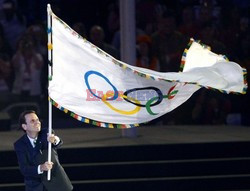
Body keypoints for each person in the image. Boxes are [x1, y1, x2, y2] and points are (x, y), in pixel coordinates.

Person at [14, 110, 73, 191]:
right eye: (32, 121)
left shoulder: (46, 133)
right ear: (24, 126)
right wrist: (41, 168)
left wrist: (54, 139)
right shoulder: (19, 144)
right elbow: (24, 169)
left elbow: (57, 142)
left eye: (37, 120)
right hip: (35, 187)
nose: (37, 122)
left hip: (57, 184)